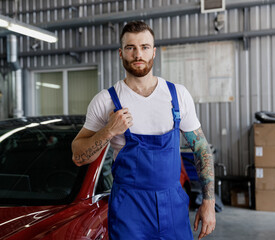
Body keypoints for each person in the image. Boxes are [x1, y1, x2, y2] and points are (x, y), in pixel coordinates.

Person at [72, 21, 215, 240]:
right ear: (121, 53)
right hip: (129, 210)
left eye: (145, 47)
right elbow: (78, 156)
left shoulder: (177, 95)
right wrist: (109, 131)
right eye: (131, 47)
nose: (138, 54)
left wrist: (208, 201)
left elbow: (201, 148)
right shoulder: (106, 101)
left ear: (154, 52)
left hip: (173, 206)